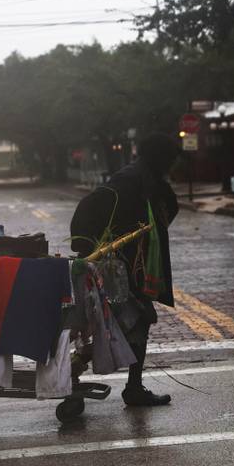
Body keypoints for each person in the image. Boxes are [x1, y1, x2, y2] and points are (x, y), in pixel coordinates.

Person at [70, 133, 181, 406]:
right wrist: (93, 248)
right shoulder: (130, 178)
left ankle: (82, 372)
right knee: (134, 320)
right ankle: (127, 386)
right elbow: (92, 206)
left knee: (125, 322)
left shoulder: (147, 179)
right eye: (169, 160)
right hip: (121, 267)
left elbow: (164, 212)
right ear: (159, 158)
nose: (171, 166)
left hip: (132, 266)